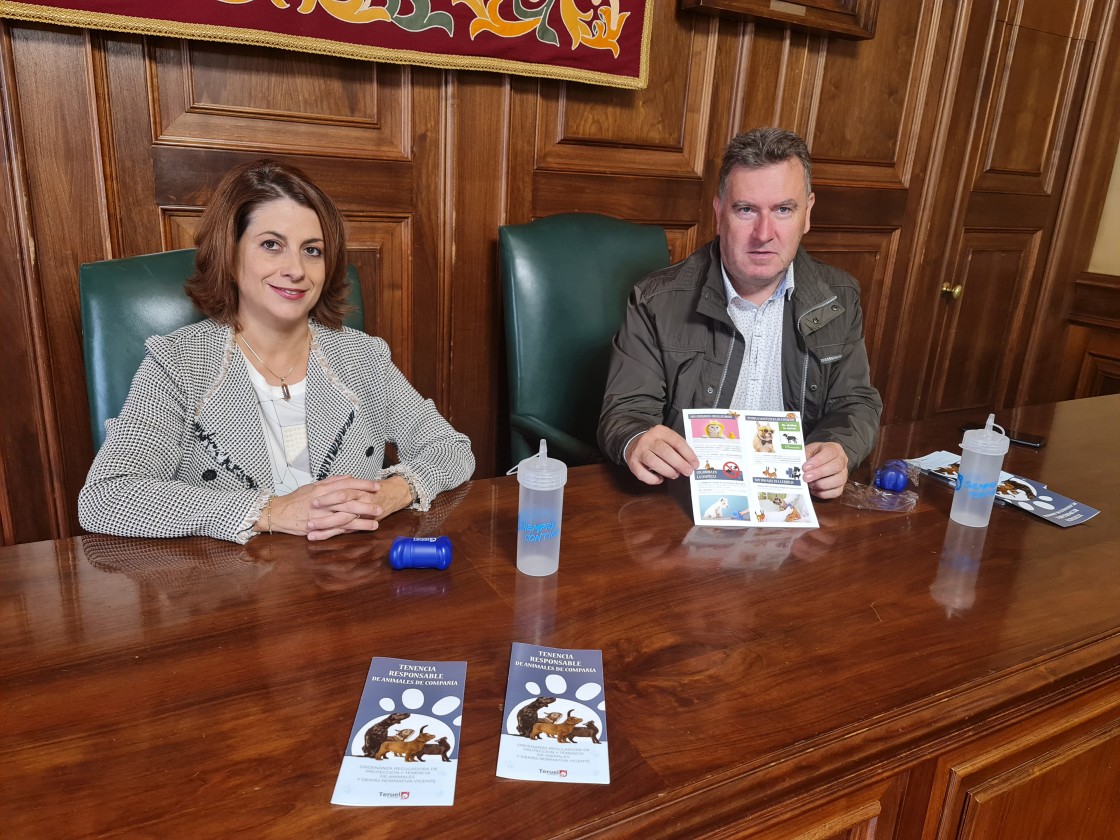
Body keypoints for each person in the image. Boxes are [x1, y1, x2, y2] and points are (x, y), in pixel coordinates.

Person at [79, 159, 474, 543]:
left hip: (352, 581)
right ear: (230, 253)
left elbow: (452, 448)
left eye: (312, 250)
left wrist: (395, 490)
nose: (296, 269)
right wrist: (268, 511)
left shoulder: (363, 357)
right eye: (272, 245)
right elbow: (105, 496)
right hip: (230, 591)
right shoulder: (179, 363)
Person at [598, 128, 882, 499]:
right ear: (719, 214)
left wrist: (838, 448)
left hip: (796, 500)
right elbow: (625, 410)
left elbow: (855, 402)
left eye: (783, 209)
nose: (764, 233)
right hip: (685, 500)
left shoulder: (838, 298)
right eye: (746, 209)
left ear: (807, 214)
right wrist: (637, 440)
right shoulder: (656, 299)